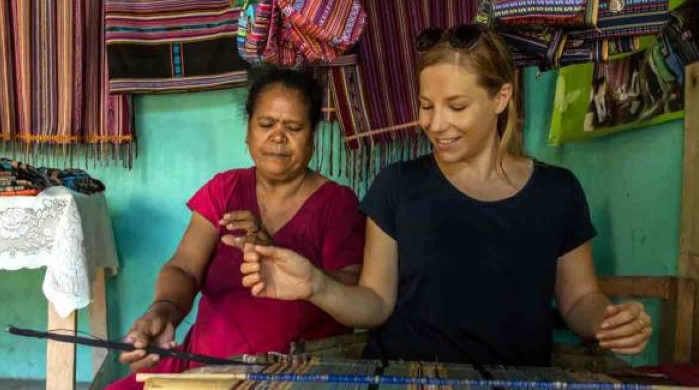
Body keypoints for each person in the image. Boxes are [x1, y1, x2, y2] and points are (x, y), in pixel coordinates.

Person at [240, 25, 653, 367]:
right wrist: (315, 284)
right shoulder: (397, 187)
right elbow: (376, 303)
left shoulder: (557, 192)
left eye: (456, 106)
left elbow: (579, 299)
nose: (437, 124)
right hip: (405, 389)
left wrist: (608, 320)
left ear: (501, 98)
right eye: (426, 106)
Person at [82, 66, 365, 390]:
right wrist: (162, 312)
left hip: (286, 379)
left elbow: (355, 289)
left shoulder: (337, 203)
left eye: (293, 128)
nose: (278, 138)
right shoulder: (225, 190)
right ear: (248, 132)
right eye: (266, 125)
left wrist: (279, 256)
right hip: (201, 366)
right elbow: (184, 267)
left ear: (313, 137)